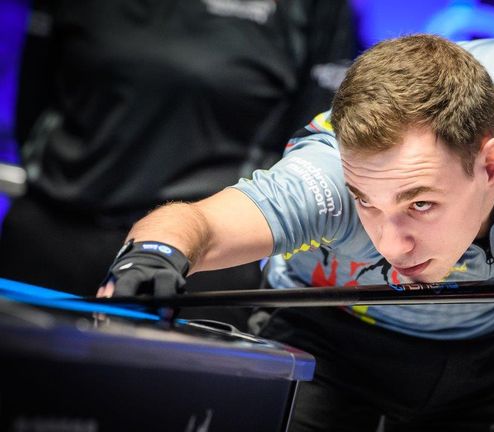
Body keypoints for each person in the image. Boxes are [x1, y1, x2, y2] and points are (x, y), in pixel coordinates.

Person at [99, 0, 494, 430]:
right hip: (329, 343)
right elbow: (196, 226)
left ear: (493, 164)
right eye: (369, 202)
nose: (393, 243)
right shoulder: (329, 177)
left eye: (420, 203)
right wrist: (152, 258)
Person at [0, 0, 356, 329]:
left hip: (202, 260)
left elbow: (308, 142)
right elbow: (32, 96)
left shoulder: (314, 8)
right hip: (54, 233)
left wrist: (216, 224)